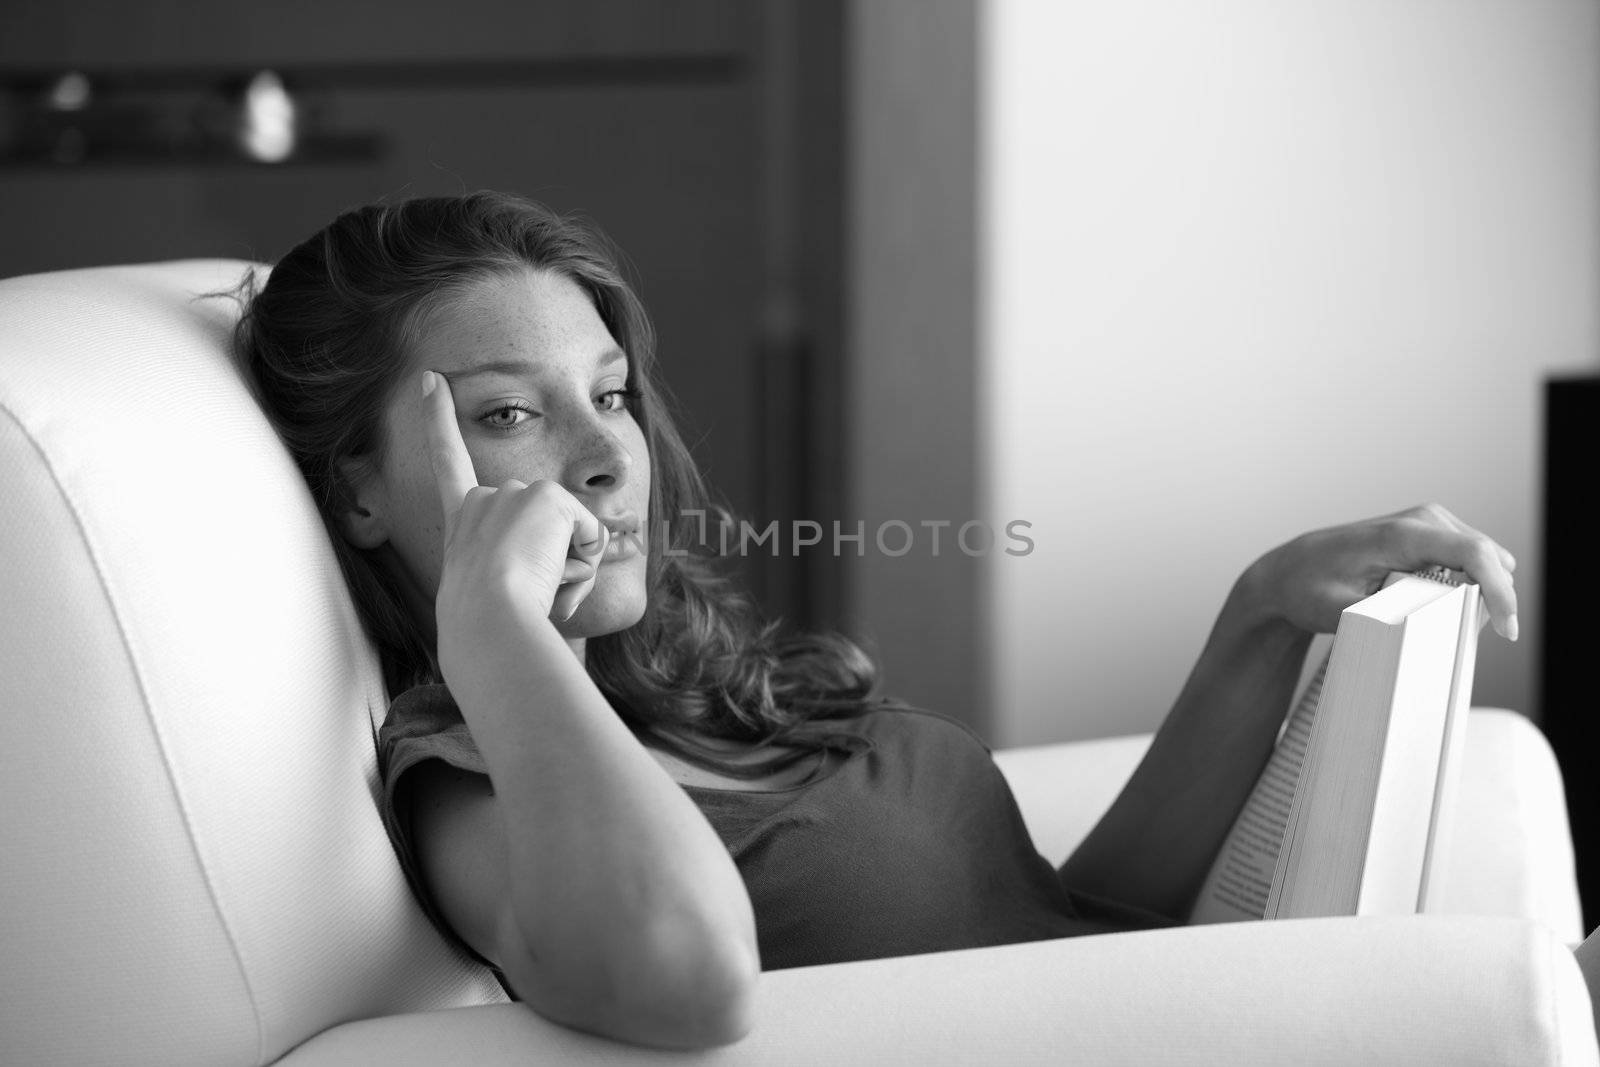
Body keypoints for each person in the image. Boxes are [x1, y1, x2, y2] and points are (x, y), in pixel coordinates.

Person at [231, 190, 1597, 1051]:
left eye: (613, 393)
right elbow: (685, 987)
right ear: (362, 487)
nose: (608, 456)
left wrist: (1260, 616)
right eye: (509, 414)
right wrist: (504, 632)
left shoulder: (681, 698)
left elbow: (1071, 923)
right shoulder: (471, 772)